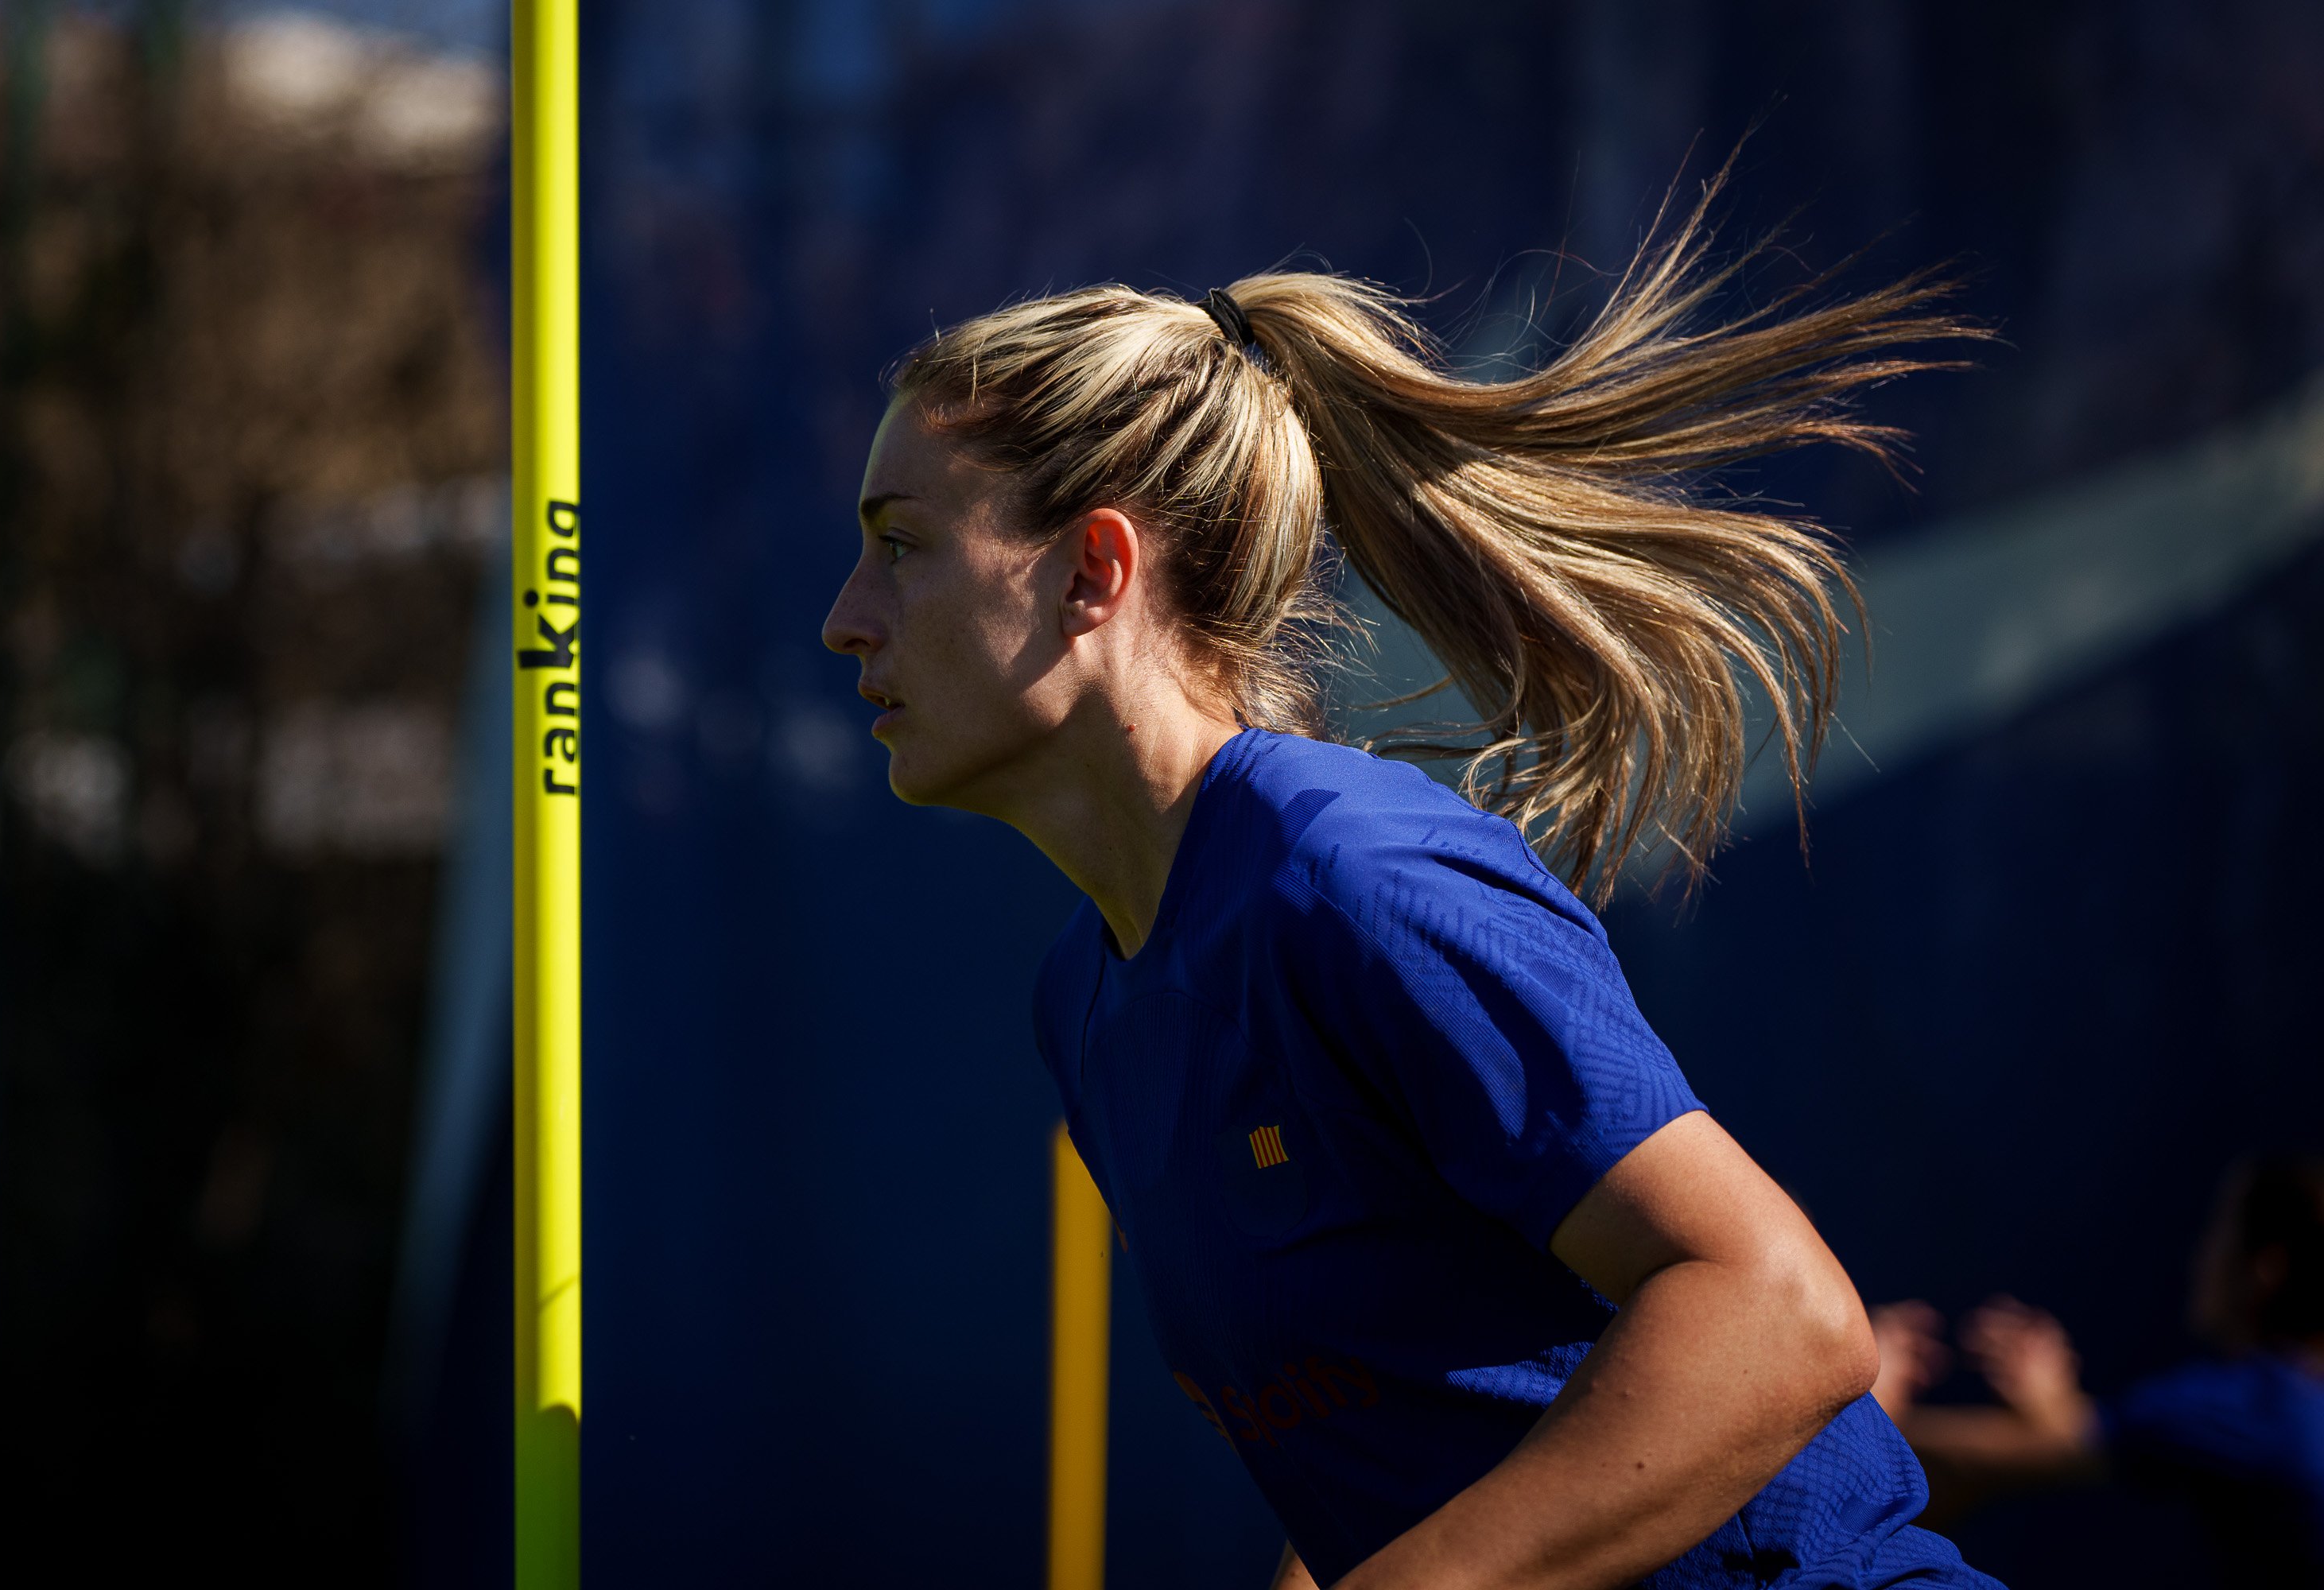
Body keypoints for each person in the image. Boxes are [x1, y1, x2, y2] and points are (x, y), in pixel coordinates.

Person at [821, 173, 1998, 1589]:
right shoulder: (1084, 1001)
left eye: (902, 548)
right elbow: (1388, 1457)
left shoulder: (1349, 873)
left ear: (1093, 570)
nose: (846, 621)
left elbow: (1783, 1313)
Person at [1872, 1156, 2324, 1583]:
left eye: (2219, 1239)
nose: (2201, 1258)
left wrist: (1863, 1408)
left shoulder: (2257, 1406)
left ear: (2266, 1269)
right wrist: (2057, 1406)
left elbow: (2057, 1443)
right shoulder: (2292, 1402)